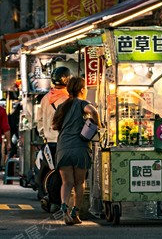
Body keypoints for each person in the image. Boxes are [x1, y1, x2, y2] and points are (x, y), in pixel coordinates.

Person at [52, 76, 99, 225]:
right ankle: (75, 213)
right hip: (79, 148)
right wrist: (98, 124)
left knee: (66, 183)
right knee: (79, 183)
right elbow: (92, 111)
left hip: (63, 148)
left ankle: (64, 208)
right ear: (82, 89)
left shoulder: (62, 106)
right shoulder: (81, 103)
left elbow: (55, 126)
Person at [37, 66, 70, 204]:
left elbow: (39, 121)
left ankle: (51, 199)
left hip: (49, 142)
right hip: (65, 142)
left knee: (55, 171)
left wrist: (44, 133)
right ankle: (56, 201)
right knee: (63, 174)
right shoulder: (69, 99)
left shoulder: (45, 98)